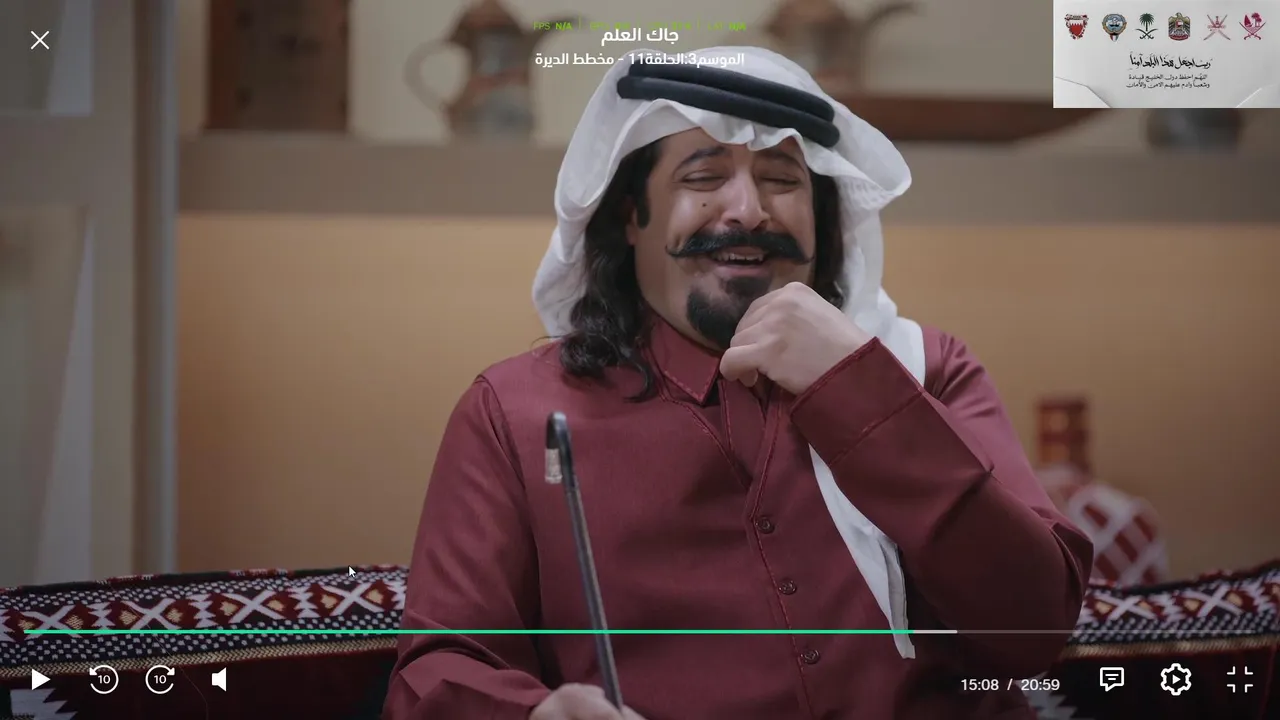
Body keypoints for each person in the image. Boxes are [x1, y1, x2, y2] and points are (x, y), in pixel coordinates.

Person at [383, 47, 1093, 720]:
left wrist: (860, 391)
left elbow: (1034, 628)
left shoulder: (926, 369)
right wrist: (535, 714)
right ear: (630, 217)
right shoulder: (515, 413)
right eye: (702, 178)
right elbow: (439, 672)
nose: (748, 210)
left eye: (782, 180)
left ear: (823, 221)